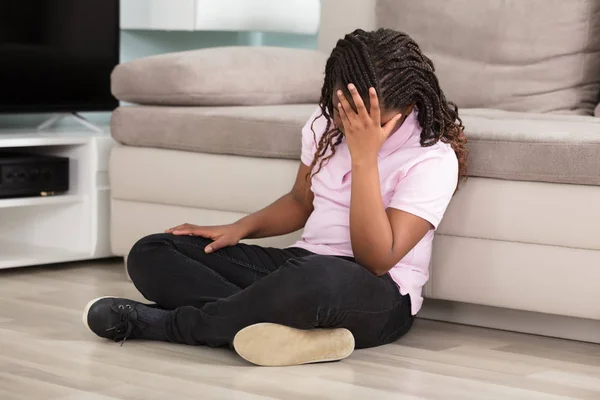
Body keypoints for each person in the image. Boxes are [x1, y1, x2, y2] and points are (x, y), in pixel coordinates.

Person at [83, 28, 468, 367]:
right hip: (300, 265)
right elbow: (302, 201)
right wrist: (239, 229)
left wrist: (365, 156)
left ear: (409, 107)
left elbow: (376, 258)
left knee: (316, 278)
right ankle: (282, 327)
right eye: (343, 115)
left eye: (375, 121)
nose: (352, 127)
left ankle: (173, 325)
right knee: (152, 252)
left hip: (378, 292)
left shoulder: (431, 156)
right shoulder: (324, 126)